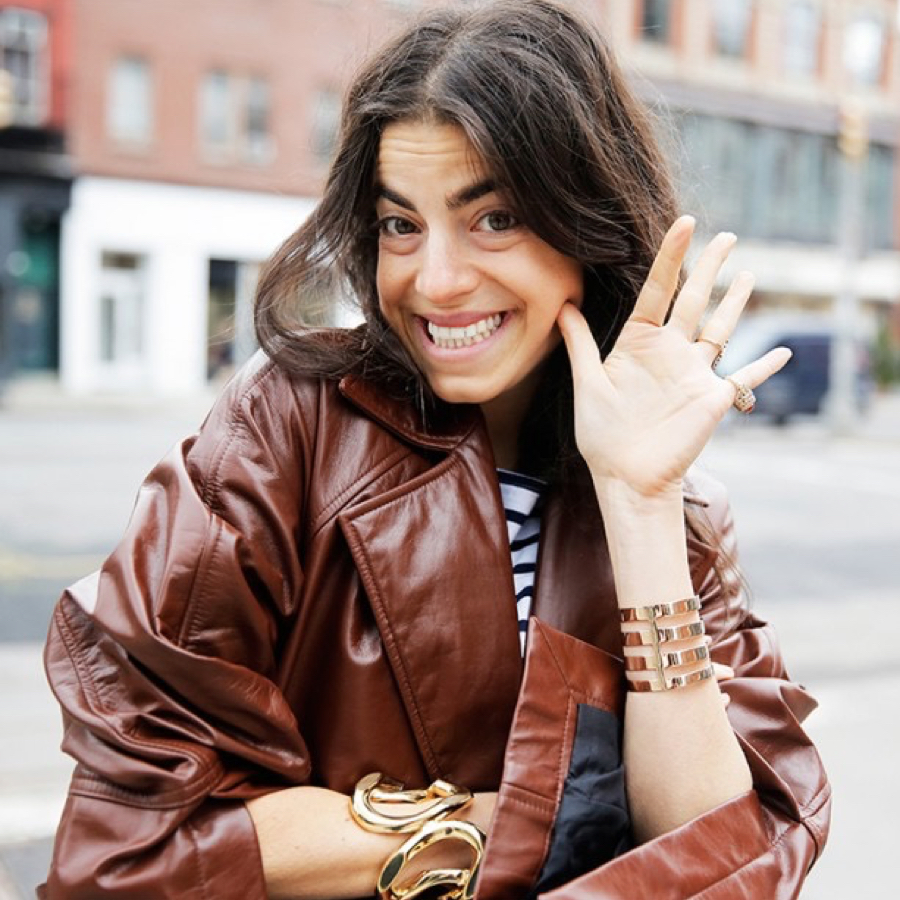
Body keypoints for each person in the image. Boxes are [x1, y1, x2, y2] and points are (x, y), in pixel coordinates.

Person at [41, 1, 830, 898]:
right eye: (400, 224)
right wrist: (498, 826)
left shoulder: (676, 506)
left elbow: (717, 859)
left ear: (588, 226)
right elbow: (123, 852)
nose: (438, 281)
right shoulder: (285, 432)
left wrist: (640, 505)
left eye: (493, 218)